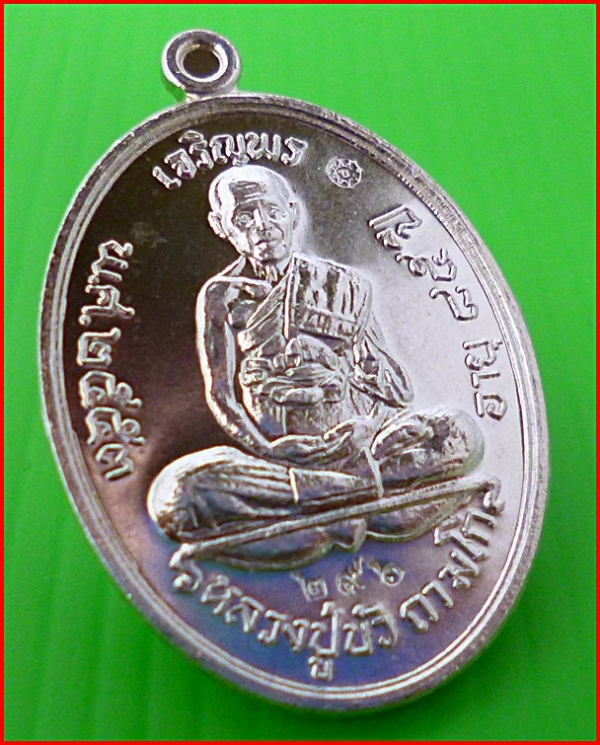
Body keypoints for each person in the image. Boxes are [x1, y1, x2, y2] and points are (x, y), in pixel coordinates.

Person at [148, 165, 485, 569]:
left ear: (292, 214)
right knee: (179, 495)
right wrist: (266, 447)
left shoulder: (341, 284)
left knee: (458, 432)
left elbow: (396, 392)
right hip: (277, 463)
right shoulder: (222, 296)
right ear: (221, 227)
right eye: (244, 217)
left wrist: (362, 406)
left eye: (272, 211)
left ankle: (323, 512)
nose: (263, 225)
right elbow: (220, 393)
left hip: (360, 446)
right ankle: (356, 501)